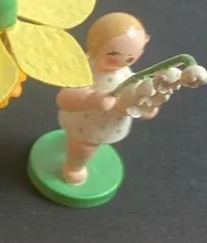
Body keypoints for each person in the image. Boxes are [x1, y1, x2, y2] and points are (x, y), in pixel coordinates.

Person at [56, 12, 154, 185]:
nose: (120, 62)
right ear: (95, 46)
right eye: (113, 55)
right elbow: (64, 98)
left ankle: (75, 155)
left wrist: (145, 105)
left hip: (109, 124)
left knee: (90, 145)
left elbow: (136, 97)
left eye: (130, 58)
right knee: (84, 149)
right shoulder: (85, 68)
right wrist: (91, 98)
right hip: (85, 123)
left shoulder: (126, 73)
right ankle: (73, 167)